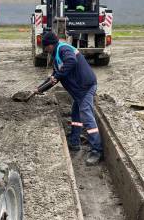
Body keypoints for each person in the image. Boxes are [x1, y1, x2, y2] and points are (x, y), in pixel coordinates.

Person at [39, 31, 103, 166]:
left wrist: (58, 76)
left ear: (50, 45)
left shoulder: (63, 49)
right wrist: (40, 89)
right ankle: (74, 142)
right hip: (79, 91)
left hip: (85, 87)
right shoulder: (57, 55)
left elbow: (71, 61)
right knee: (76, 114)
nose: (45, 50)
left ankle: (97, 150)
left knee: (86, 115)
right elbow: (54, 76)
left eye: (45, 47)